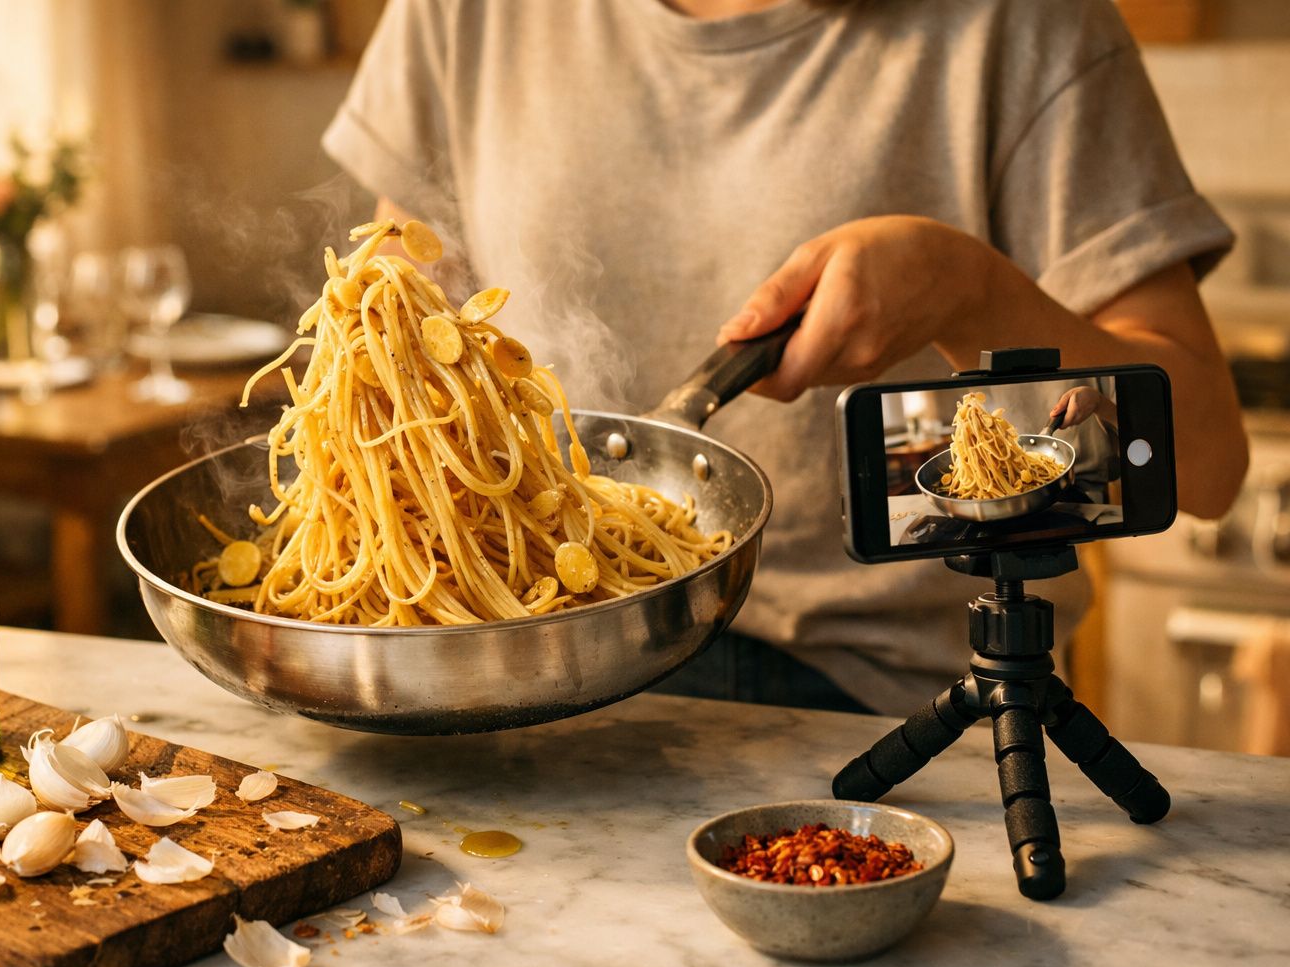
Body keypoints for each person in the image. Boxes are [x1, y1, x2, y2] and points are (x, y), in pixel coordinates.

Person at [321, 0, 1248, 716]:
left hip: (879, 698)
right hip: (521, 662)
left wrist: (971, 291)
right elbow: (407, 313)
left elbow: (1205, 464)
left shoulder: (1025, 23)